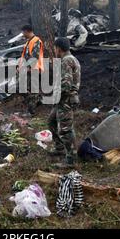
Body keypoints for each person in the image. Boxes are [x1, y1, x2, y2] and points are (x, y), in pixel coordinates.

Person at [48, 38, 81, 169]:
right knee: (51, 122)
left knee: (66, 130)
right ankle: (59, 148)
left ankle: (71, 159)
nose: (54, 51)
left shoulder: (67, 60)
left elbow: (66, 85)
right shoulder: (71, 59)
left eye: (55, 48)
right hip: (64, 99)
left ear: (59, 48)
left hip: (65, 99)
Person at [18, 25, 45, 114]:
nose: (22, 34)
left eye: (23, 32)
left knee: (33, 90)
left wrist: (28, 67)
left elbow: (34, 57)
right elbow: (24, 56)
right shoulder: (28, 42)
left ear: (27, 31)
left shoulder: (36, 41)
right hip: (28, 69)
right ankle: (38, 100)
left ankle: (31, 111)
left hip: (34, 69)